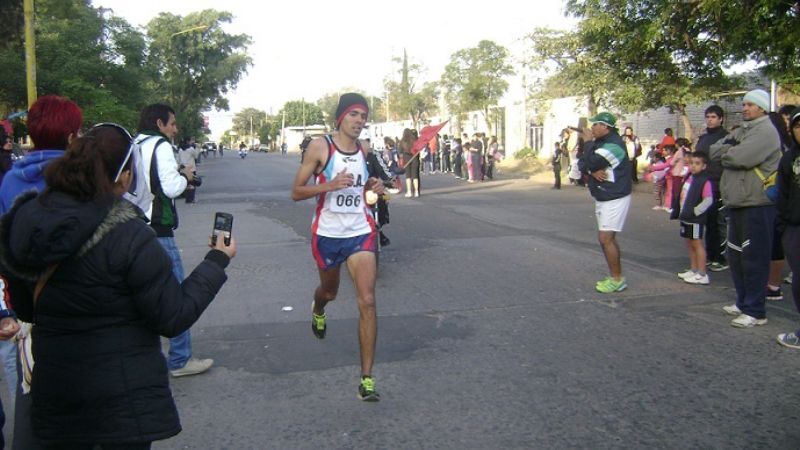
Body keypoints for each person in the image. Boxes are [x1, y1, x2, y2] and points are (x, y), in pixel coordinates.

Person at [0, 123, 236, 448]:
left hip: (57, 391)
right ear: (125, 176)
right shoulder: (130, 235)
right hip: (122, 404)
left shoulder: (26, 220)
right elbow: (172, 316)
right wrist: (217, 261)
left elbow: (27, 308)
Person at [0, 95, 83, 449]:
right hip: (76, 307)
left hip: (27, 306)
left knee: (32, 395)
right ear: (70, 136)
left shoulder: (9, 181)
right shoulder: (78, 181)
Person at [290, 93, 384, 401]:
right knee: (329, 291)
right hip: (328, 234)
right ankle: (318, 308)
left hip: (360, 231)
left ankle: (366, 379)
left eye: (363, 116)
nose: (360, 121)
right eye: (354, 114)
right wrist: (328, 185)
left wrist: (375, 188)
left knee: (367, 300)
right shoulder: (321, 147)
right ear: (341, 117)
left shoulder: (365, 150)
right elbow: (296, 191)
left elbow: (368, 187)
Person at [135, 104, 213, 375]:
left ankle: (145, 358)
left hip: (133, 228)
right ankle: (180, 359)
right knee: (177, 295)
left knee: (140, 295)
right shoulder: (161, 146)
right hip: (159, 230)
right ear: (159, 123)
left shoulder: (133, 144)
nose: (175, 129)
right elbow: (170, 187)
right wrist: (185, 178)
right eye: (172, 124)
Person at [710, 89, 782, 328]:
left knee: (754, 257)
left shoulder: (766, 132)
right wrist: (730, 150)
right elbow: (714, 151)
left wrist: (729, 151)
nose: (745, 108)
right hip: (737, 201)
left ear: (762, 108)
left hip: (757, 203)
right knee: (736, 256)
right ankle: (742, 302)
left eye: (750, 104)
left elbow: (740, 158)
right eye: (744, 104)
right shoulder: (743, 129)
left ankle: (756, 310)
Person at [579, 112, 632, 293]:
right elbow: (582, 164)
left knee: (605, 238)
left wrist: (587, 145)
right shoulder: (599, 143)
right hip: (603, 195)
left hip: (614, 196)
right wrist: (592, 170)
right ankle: (616, 277)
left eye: (595, 125)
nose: (592, 128)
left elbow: (592, 160)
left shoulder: (614, 145)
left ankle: (617, 279)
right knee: (606, 239)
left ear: (606, 127)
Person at [776, 107, 800, 348]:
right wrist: (784, 226)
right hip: (794, 227)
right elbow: (782, 194)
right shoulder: (789, 158)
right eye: (798, 126)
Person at [695, 105, 729, 272]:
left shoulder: (727, 137)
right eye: (708, 116)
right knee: (707, 222)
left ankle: (720, 257)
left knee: (718, 222)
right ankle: (710, 254)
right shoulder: (702, 138)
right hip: (702, 184)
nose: (710, 119)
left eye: (714, 117)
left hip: (718, 184)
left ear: (721, 119)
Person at [672, 152, 713, 285]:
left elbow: (708, 200)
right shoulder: (689, 177)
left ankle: (702, 273)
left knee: (697, 243)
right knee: (689, 243)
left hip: (695, 219)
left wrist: (696, 211)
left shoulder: (704, 181)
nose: (694, 166)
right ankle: (694, 269)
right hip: (686, 216)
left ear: (704, 166)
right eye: (692, 163)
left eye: (697, 164)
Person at [400, 128, 420, 197]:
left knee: (408, 176)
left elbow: (400, 151)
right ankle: (416, 192)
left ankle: (409, 191)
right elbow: (418, 149)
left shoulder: (402, 141)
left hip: (406, 160)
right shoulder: (414, 140)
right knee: (415, 176)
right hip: (414, 158)